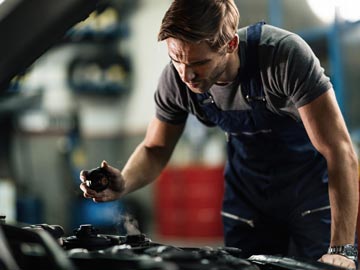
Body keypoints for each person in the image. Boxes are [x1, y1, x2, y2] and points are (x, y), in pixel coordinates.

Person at [80, 0, 359, 268]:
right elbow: (156, 148)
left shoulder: (283, 58)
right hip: (247, 200)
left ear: (231, 45)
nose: (187, 75)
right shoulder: (176, 82)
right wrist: (124, 181)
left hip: (309, 196)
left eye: (199, 63)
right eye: (176, 59)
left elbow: (339, 150)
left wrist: (341, 250)